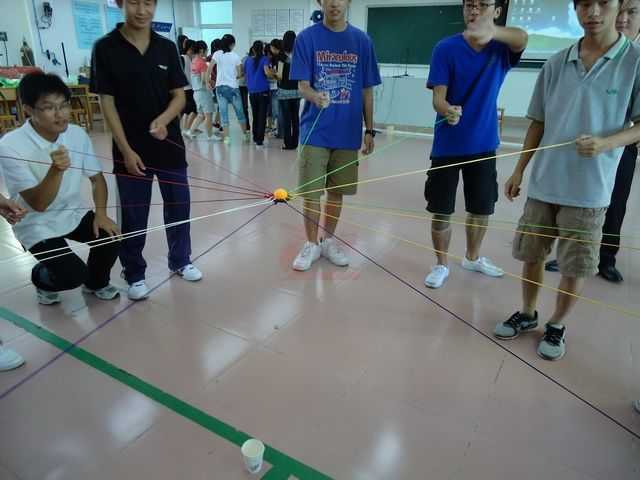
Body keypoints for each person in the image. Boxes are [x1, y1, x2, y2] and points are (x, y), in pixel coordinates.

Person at [495, 0, 640, 361]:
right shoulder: (557, 62)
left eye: (603, 3)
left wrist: (607, 143)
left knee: (575, 266)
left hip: (590, 190)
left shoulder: (634, 61)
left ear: (618, 7)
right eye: (585, 4)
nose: (593, 12)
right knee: (531, 255)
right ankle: (528, 313)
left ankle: (557, 323)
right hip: (545, 183)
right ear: (575, 9)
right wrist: (519, 170)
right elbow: (538, 122)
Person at [91, 0, 203, 301]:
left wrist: (164, 120)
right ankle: (134, 272)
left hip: (169, 146)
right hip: (130, 151)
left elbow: (179, 96)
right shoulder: (105, 48)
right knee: (134, 213)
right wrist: (125, 149)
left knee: (179, 206)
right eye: (134, 2)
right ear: (120, 3)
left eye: (148, 3)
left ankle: (180, 259)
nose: (142, 10)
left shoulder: (166, 47)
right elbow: (107, 103)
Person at [423, 0, 528, 289]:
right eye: (469, 4)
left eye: (483, 5)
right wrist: (448, 110)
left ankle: (472, 257)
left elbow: (522, 38)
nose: (474, 10)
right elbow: (438, 98)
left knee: (482, 207)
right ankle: (441, 264)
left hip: (484, 143)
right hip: (447, 145)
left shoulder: (501, 49)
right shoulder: (445, 48)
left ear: (497, 11)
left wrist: (491, 32)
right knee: (441, 209)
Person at [0, 73, 121, 306]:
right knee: (72, 275)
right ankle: (41, 277)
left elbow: (97, 179)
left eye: (64, 105)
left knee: (110, 237)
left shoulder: (76, 134)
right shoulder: (10, 145)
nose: (60, 114)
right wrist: (55, 170)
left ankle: (96, 283)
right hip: (36, 222)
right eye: (49, 107)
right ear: (28, 109)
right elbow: (38, 204)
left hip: (72, 211)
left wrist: (102, 214)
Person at [545, 0, 640, 283]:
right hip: (582, 142)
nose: (623, 18)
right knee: (573, 199)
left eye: (632, 12)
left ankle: (606, 257)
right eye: (621, 11)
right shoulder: (587, 51)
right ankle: (569, 252)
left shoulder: (635, 59)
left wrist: (616, 140)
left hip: (621, 145)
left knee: (615, 200)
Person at [290, 0, 381, 271]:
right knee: (311, 193)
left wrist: (370, 129)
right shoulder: (307, 38)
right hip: (315, 131)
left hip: (347, 132)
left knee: (337, 192)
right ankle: (311, 244)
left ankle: (328, 240)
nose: (334, 3)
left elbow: (367, 91)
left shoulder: (362, 41)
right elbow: (302, 86)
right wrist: (314, 96)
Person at [210, 34, 251, 145]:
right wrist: (235, 77)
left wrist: (207, 81)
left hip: (220, 88)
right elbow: (240, 73)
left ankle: (227, 138)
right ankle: (245, 135)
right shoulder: (235, 56)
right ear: (232, 44)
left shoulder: (217, 54)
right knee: (240, 113)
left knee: (223, 113)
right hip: (233, 88)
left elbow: (209, 68)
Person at [185, 41, 219, 141]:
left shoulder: (194, 61)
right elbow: (204, 80)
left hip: (196, 92)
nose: (207, 51)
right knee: (208, 115)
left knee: (201, 115)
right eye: (206, 49)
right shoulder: (202, 63)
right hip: (203, 92)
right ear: (201, 50)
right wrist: (212, 82)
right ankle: (210, 136)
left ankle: (190, 132)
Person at [276, 31, 301, 150]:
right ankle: (295, 143)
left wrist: (273, 74)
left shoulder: (281, 56)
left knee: (287, 119)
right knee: (295, 118)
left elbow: (280, 75)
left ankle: (288, 143)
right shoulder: (298, 55)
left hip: (284, 91)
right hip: (297, 91)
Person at [243, 41, 271, 148]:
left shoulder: (247, 60)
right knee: (262, 116)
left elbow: (245, 74)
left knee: (255, 115)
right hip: (263, 90)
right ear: (262, 49)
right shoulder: (265, 59)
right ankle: (259, 140)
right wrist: (273, 73)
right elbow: (267, 72)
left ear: (253, 49)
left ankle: (255, 138)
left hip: (252, 91)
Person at [180, 39, 198, 133]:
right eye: (192, 48)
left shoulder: (190, 58)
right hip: (186, 89)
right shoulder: (182, 58)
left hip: (191, 88)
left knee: (188, 110)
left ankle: (187, 128)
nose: (193, 50)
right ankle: (187, 129)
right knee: (192, 110)